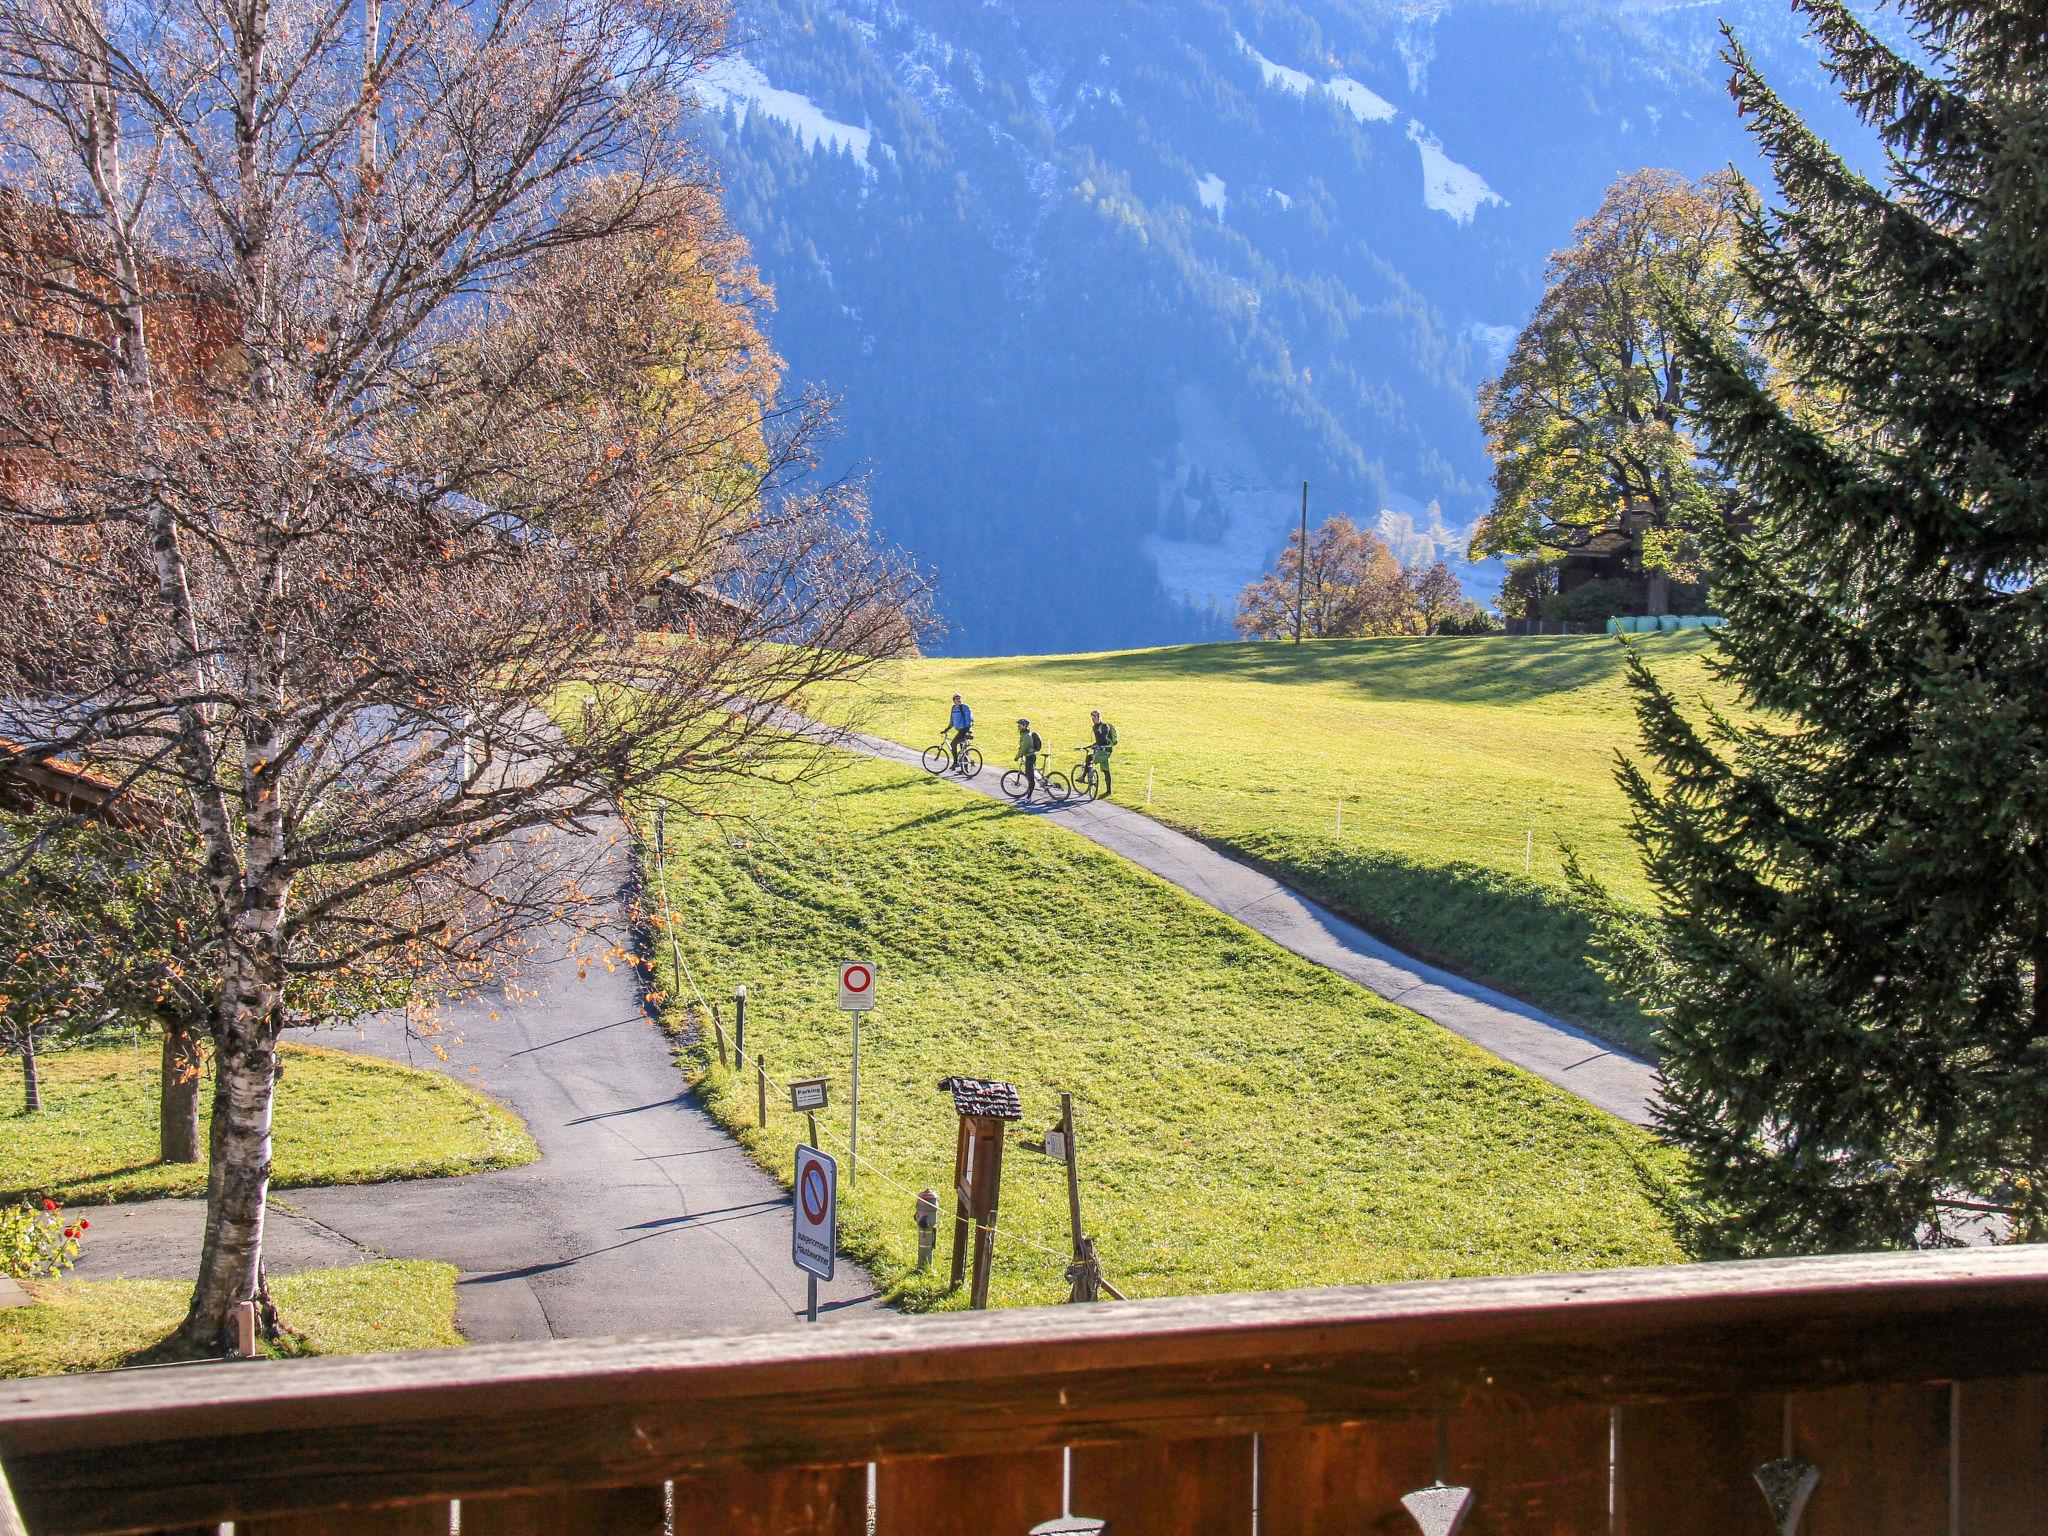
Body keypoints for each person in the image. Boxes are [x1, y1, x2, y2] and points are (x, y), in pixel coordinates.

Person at [1088, 709, 1118, 797]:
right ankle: (1109, 791)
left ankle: (1083, 777)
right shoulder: (1095, 727)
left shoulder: (1104, 726)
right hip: (1104, 751)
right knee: (1106, 770)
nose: (1095, 719)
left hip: (1104, 751)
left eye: (1097, 717)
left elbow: (1103, 740)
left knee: (1089, 758)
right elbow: (1099, 740)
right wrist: (1095, 744)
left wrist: (1098, 745)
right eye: (1094, 717)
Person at [1015, 717, 1043, 797]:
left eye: (1019, 726)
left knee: (1030, 778)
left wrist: (1017, 756)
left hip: (1030, 757)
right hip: (1030, 756)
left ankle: (1029, 797)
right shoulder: (1025, 734)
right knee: (1031, 774)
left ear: (1024, 726)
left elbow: (1024, 748)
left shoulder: (1026, 736)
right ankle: (1042, 782)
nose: (1018, 727)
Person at [945, 693, 974, 768]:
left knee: (953, 744)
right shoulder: (954, 708)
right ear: (954, 700)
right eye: (956, 699)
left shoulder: (964, 707)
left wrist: (968, 729)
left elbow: (969, 718)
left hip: (964, 730)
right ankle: (965, 769)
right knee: (963, 749)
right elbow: (952, 721)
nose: (958, 700)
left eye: (959, 698)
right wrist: (947, 729)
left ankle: (955, 763)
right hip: (959, 730)